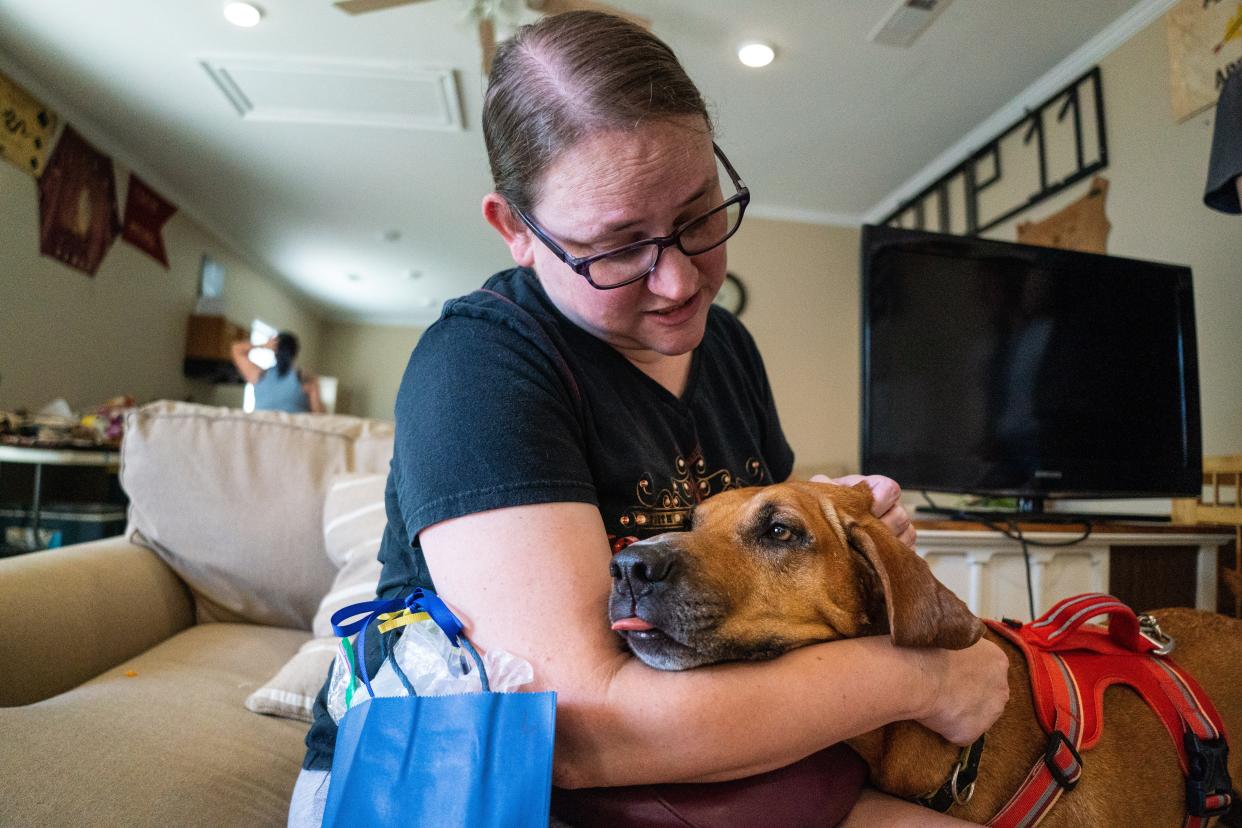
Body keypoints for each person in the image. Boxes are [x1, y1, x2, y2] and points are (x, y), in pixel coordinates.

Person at [292, 11, 1008, 826]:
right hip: (464, 785)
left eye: (700, 216)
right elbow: (578, 729)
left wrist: (832, 528)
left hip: (707, 773)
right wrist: (927, 678)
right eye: (618, 247)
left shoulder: (726, 346)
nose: (679, 283)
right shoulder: (478, 368)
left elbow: (753, 595)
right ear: (516, 231)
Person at [230, 332, 324, 414]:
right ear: (295, 352)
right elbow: (320, 415)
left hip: (260, 432)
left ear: (274, 350)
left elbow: (236, 349)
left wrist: (264, 345)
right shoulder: (305, 379)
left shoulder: (259, 375)